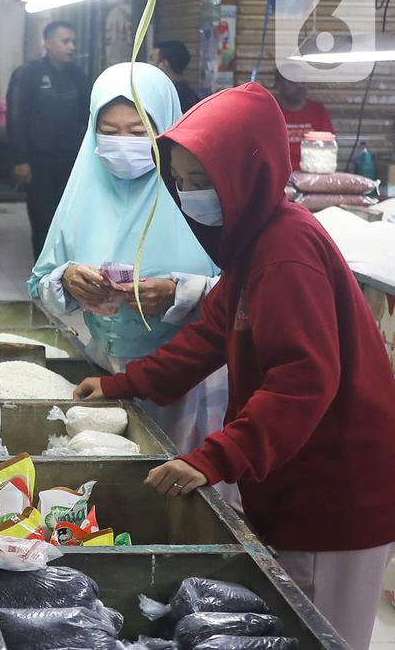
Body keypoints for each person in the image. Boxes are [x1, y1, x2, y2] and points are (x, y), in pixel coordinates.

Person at [74, 82, 395, 650]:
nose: (192, 195)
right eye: (182, 183)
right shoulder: (253, 246)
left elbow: (304, 379)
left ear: (247, 175)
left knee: (321, 637)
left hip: (335, 493)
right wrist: (122, 384)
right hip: (295, 482)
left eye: (205, 182)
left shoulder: (287, 253)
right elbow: (209, 336)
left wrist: (217, 456)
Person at [29, 62, 225, 455]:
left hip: (193, 380)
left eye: (139, 133)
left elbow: (248, 292)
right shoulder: (83, 192)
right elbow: (40, 283)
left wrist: (179, 293)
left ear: (167, 128)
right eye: (109, 131)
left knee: (186, 475)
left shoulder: (199, 194)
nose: (123, 143)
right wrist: (68, 280)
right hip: (106, 369)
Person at [6, 20, 91, 258]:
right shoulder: (27, 74)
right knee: (43, 221)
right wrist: (20, 159)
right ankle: (43, 276)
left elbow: (89, 114)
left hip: (71, 163)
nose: (71, 47)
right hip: (38, 162)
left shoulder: (77, 76)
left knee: (69, 222)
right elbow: (16, 117)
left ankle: (68, 274)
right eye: (65, 41)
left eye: (73, 41)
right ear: (48, 42)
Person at [272, 69, 333, 171]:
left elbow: (328, 147)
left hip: (311, 173)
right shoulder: (268, 109)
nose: (300, 86)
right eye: (293, 82)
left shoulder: (318, 110)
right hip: (277, 176)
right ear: (279, 84)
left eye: (303, 82)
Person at [150, 40, 200, 113]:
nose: (148, 64)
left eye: (152, 59)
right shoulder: (189, 94)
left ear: (164, 64)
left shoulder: (169, 96)